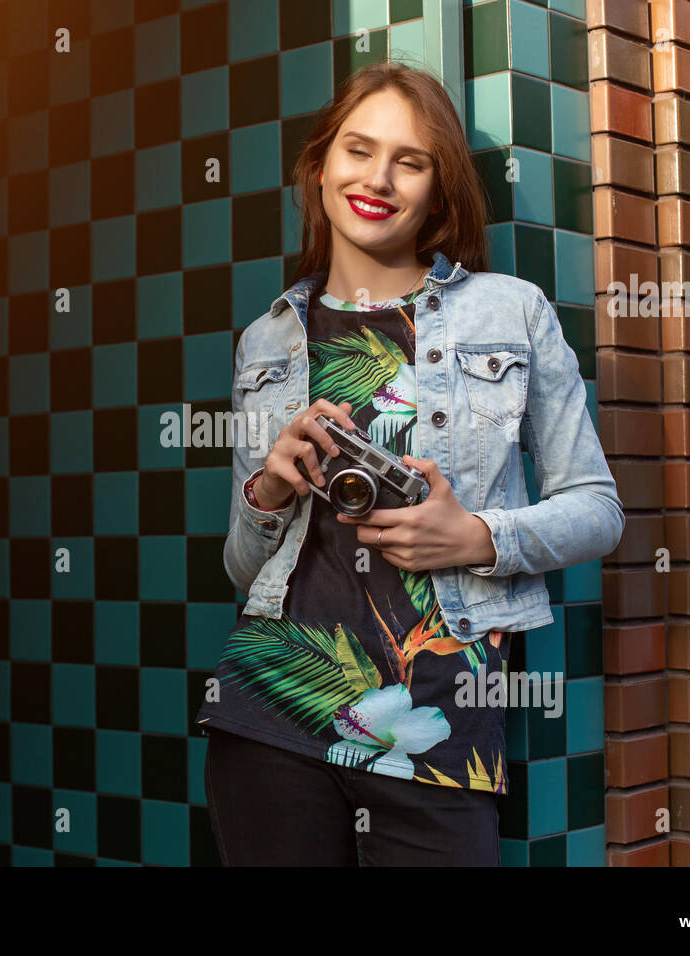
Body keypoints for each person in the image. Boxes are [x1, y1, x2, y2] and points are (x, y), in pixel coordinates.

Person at [194, 62, 625, 867]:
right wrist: (269, 488)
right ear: (321, 165)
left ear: (437, 189)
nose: (378, 179)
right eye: (358, 150)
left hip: (443, 718)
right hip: (268, 711)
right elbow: (242, 565)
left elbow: (597, 507)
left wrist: (474, 538)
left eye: (410, 161)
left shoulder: (511, 310)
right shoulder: (268, 341)